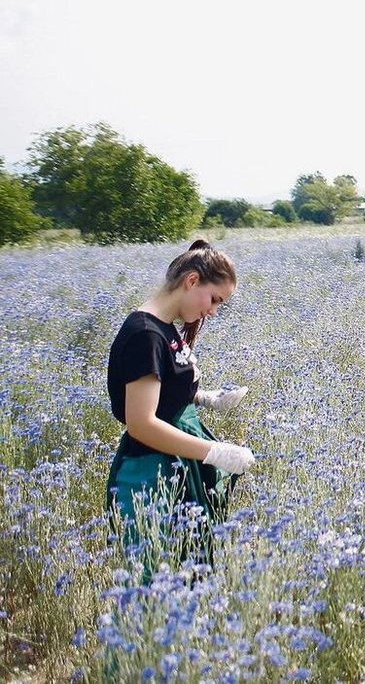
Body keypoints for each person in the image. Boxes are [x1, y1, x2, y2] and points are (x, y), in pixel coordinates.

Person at [106, 240, 254, 566]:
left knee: (187, 569)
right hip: (151, 472)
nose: (213, 311)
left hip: (173, 463)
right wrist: (216, 453)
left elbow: (163, 394)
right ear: (191, 281)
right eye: (214, 299)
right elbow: (142, 423)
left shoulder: (164, 329)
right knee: (157, 577)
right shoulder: (145, 335)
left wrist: (203, 398)